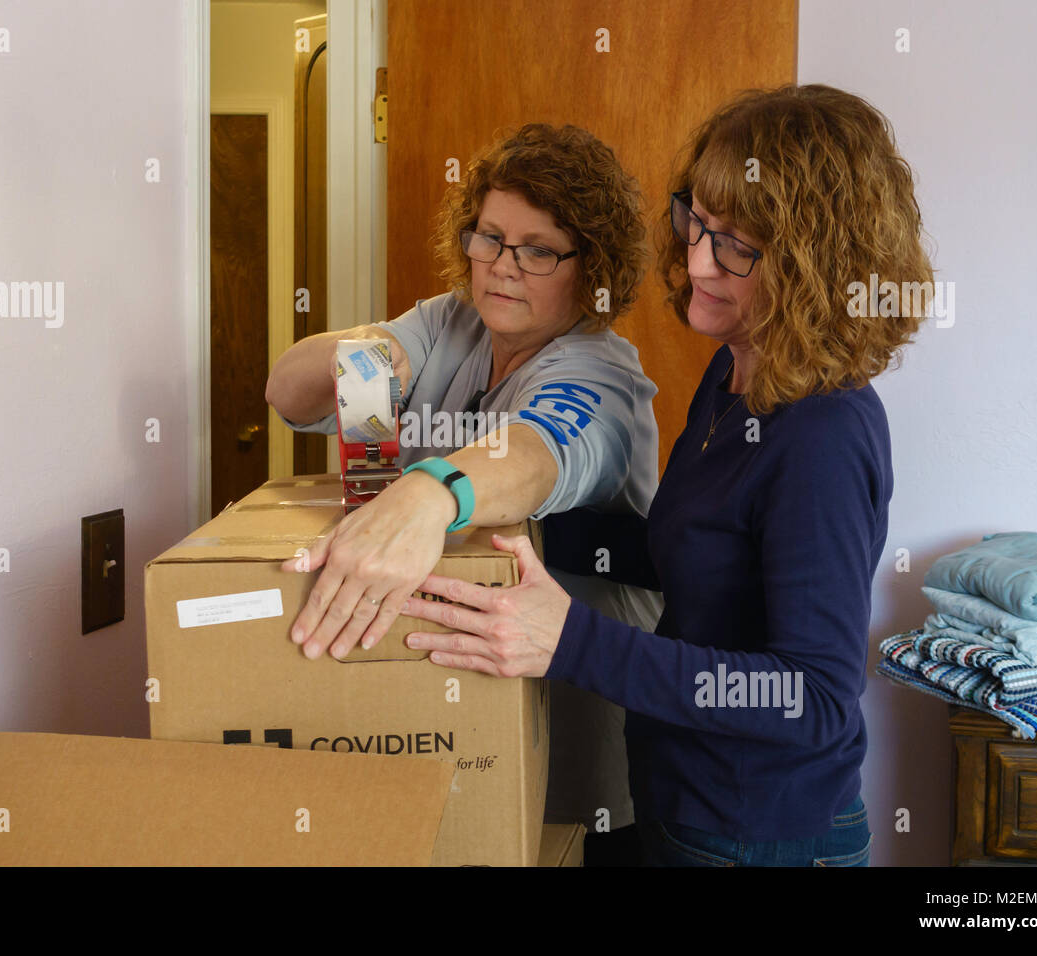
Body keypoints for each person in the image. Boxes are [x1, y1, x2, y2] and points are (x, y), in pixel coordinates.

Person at [400, 84, 935, 866]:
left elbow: (811, 697)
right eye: (698, 224)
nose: (696, 262)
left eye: (736, 249)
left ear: (818, 265)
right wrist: (497, 524)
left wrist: (571, 639)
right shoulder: (735, 375)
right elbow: (693, 551)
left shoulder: (822, 432)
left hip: (762, 835)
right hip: (685, 804)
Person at [266, 123, 663, 847]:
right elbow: (288, 393)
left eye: (539, 250)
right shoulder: (450, 322)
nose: (503, 266)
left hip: (575, 727)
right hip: (453, 703)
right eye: (489, 237)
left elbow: (535, 455)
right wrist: (365, 351)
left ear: (590, 264)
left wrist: (428, 493)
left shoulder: (601, 373)